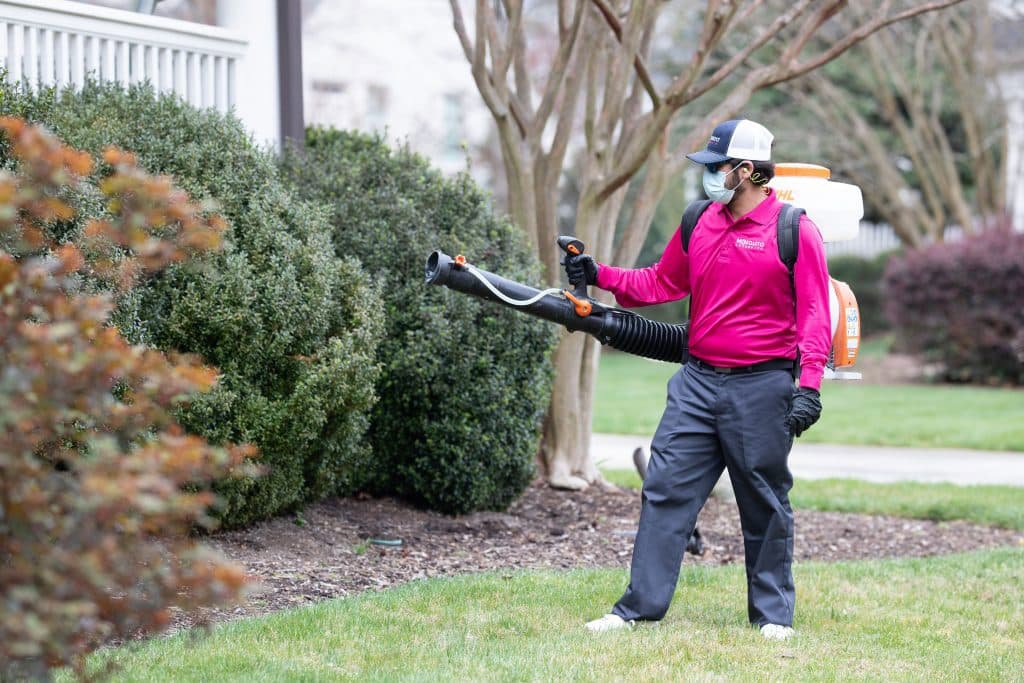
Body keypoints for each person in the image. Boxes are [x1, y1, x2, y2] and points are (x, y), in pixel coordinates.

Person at [567, 119, 831, 641]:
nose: (709, 176)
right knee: (664, 490)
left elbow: (815, 316)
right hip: (696, 383)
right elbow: (660, 282)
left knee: (763, 499)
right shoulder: (699, 221)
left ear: (748, 171)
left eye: (718, 167)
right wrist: (599, 275)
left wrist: (809, 387)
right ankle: (636, 609)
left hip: (763, 386)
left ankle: (773, 615)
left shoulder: (794, 229)